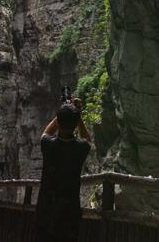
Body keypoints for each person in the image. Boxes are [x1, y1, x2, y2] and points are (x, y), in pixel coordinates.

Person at [35, 96, 92, 242]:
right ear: (75, 124)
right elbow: (87, 139)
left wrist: (62, 114)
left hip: (46, 212)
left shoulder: (48, 145)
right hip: (69, 214)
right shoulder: (80, 149)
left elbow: (46, 133)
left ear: (59, 123)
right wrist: (77, 115)